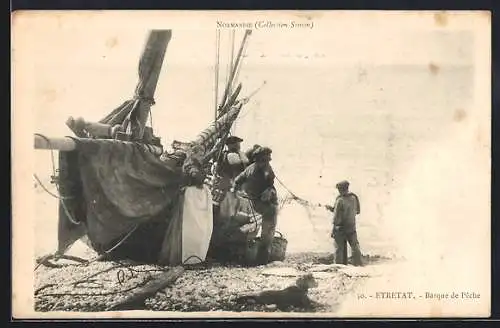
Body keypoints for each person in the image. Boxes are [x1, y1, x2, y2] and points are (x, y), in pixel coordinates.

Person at [232, 146, 278, 264]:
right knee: (268, 232)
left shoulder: (249, 168)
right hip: (266, 206)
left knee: (253, 231)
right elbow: (270, 180)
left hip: (252, 205)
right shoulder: (266, 168)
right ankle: (262, 260)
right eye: (266, 160)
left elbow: (237, 180)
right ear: (261, 159)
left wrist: (236, 192)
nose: (267, 162)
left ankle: (248, 256)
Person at [327, 180, 363, 266]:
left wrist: (333, 230)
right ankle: (358, 265)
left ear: (340, 189)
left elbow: (336, 218)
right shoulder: (354, 197)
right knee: (355, 247)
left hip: (340, 228)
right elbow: (357, 211)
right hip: (351, 226)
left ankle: (339, 267)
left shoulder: (340, 200)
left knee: (339, 249)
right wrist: (334, 209)